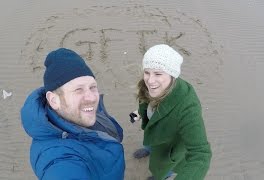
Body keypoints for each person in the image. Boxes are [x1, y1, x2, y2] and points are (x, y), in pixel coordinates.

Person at [21, 48, 125, 180]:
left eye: (92, 87)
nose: (92, 98)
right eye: (78, 90)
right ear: (54, 100)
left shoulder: (79, 113)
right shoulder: (60, 160)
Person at [132, 44, 212, 180]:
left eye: (158, 73)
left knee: (163, 168)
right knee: (149, 143)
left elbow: (201, 154)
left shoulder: (188, 107)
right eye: (147, 72)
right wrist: (139, 113)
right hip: (152, 133)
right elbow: (145, 103)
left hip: (167, 149)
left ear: (172, 75)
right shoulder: (148, 86)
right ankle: (148, 149)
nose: (150, 80)